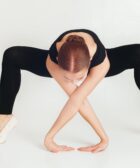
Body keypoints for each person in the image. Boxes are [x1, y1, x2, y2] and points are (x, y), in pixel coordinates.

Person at [0, 28, 140, 153]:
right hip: (62, 63)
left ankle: (78, 71)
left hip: (101, 61)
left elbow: (79, 99)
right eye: (68, 78)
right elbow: (76, 101)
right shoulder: (53, 59)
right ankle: (3, 118)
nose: (75, 82)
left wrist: (104, 139)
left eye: (79, 77)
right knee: (12, 55)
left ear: (90, 61)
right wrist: (49, 138)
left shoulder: (100, 62)